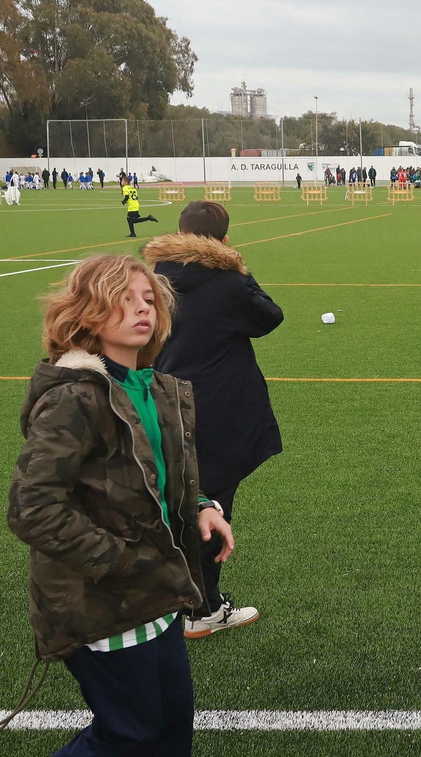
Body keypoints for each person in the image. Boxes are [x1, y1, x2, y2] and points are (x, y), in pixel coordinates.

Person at [2, 254, 235, 750]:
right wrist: (123, 562)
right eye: (123, 300)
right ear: (87, 313)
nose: (141, 310)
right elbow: (32, 507)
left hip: (159, 595)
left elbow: (158, 477)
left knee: (171, 733)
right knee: (130, 738)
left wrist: (202, 505)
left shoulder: (150, 386)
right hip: (105, 606)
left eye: (148, 300)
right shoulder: (77, 396)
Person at [143, 202, 283, 640]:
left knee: (172, 498)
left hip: (158, 402)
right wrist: (239, 270)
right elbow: (270, 317)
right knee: (211, 504)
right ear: (223, 241)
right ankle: (202, 608)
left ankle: (165, 593)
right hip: (216, 410)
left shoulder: (151, 280)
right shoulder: (227, 283)